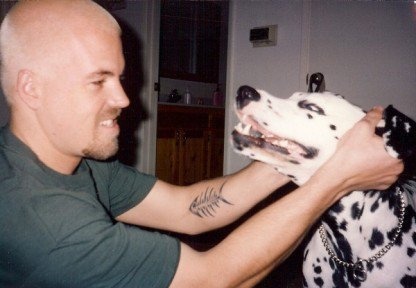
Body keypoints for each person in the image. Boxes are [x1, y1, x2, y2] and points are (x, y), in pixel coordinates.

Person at [0, 1, 403, 287]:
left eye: (119, 78)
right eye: (98, 80)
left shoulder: (77, 163)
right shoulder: (42, 222)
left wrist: (299, 147)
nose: (124, 99)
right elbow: (214, 279)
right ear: (31, 88)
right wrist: (335, 179)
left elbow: (187, 210)